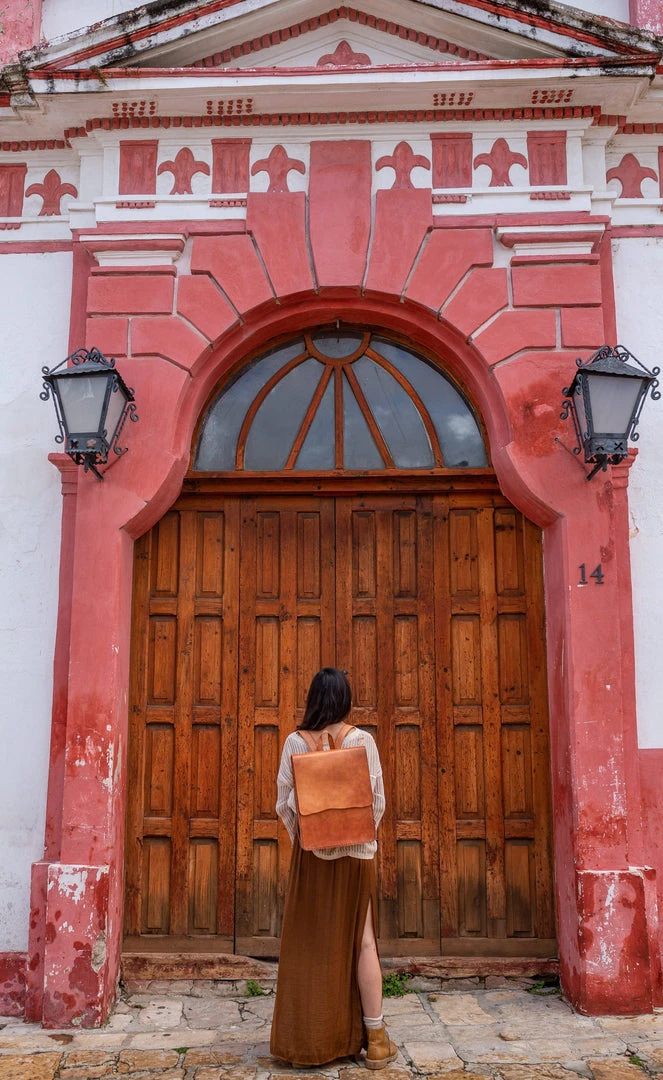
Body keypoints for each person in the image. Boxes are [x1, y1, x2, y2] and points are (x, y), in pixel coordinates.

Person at [270, 667, 398, 1070]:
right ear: (345, 700)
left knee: (310, 944)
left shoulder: (295, 742)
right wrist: (356, 834)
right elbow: (376, 801)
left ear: (312, 698)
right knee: (363, 943)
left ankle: (307, 1042)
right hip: (357, 860)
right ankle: (376, 1041)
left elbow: (283, 805)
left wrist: (311, 835)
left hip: (313, 860)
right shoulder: (363, 741)